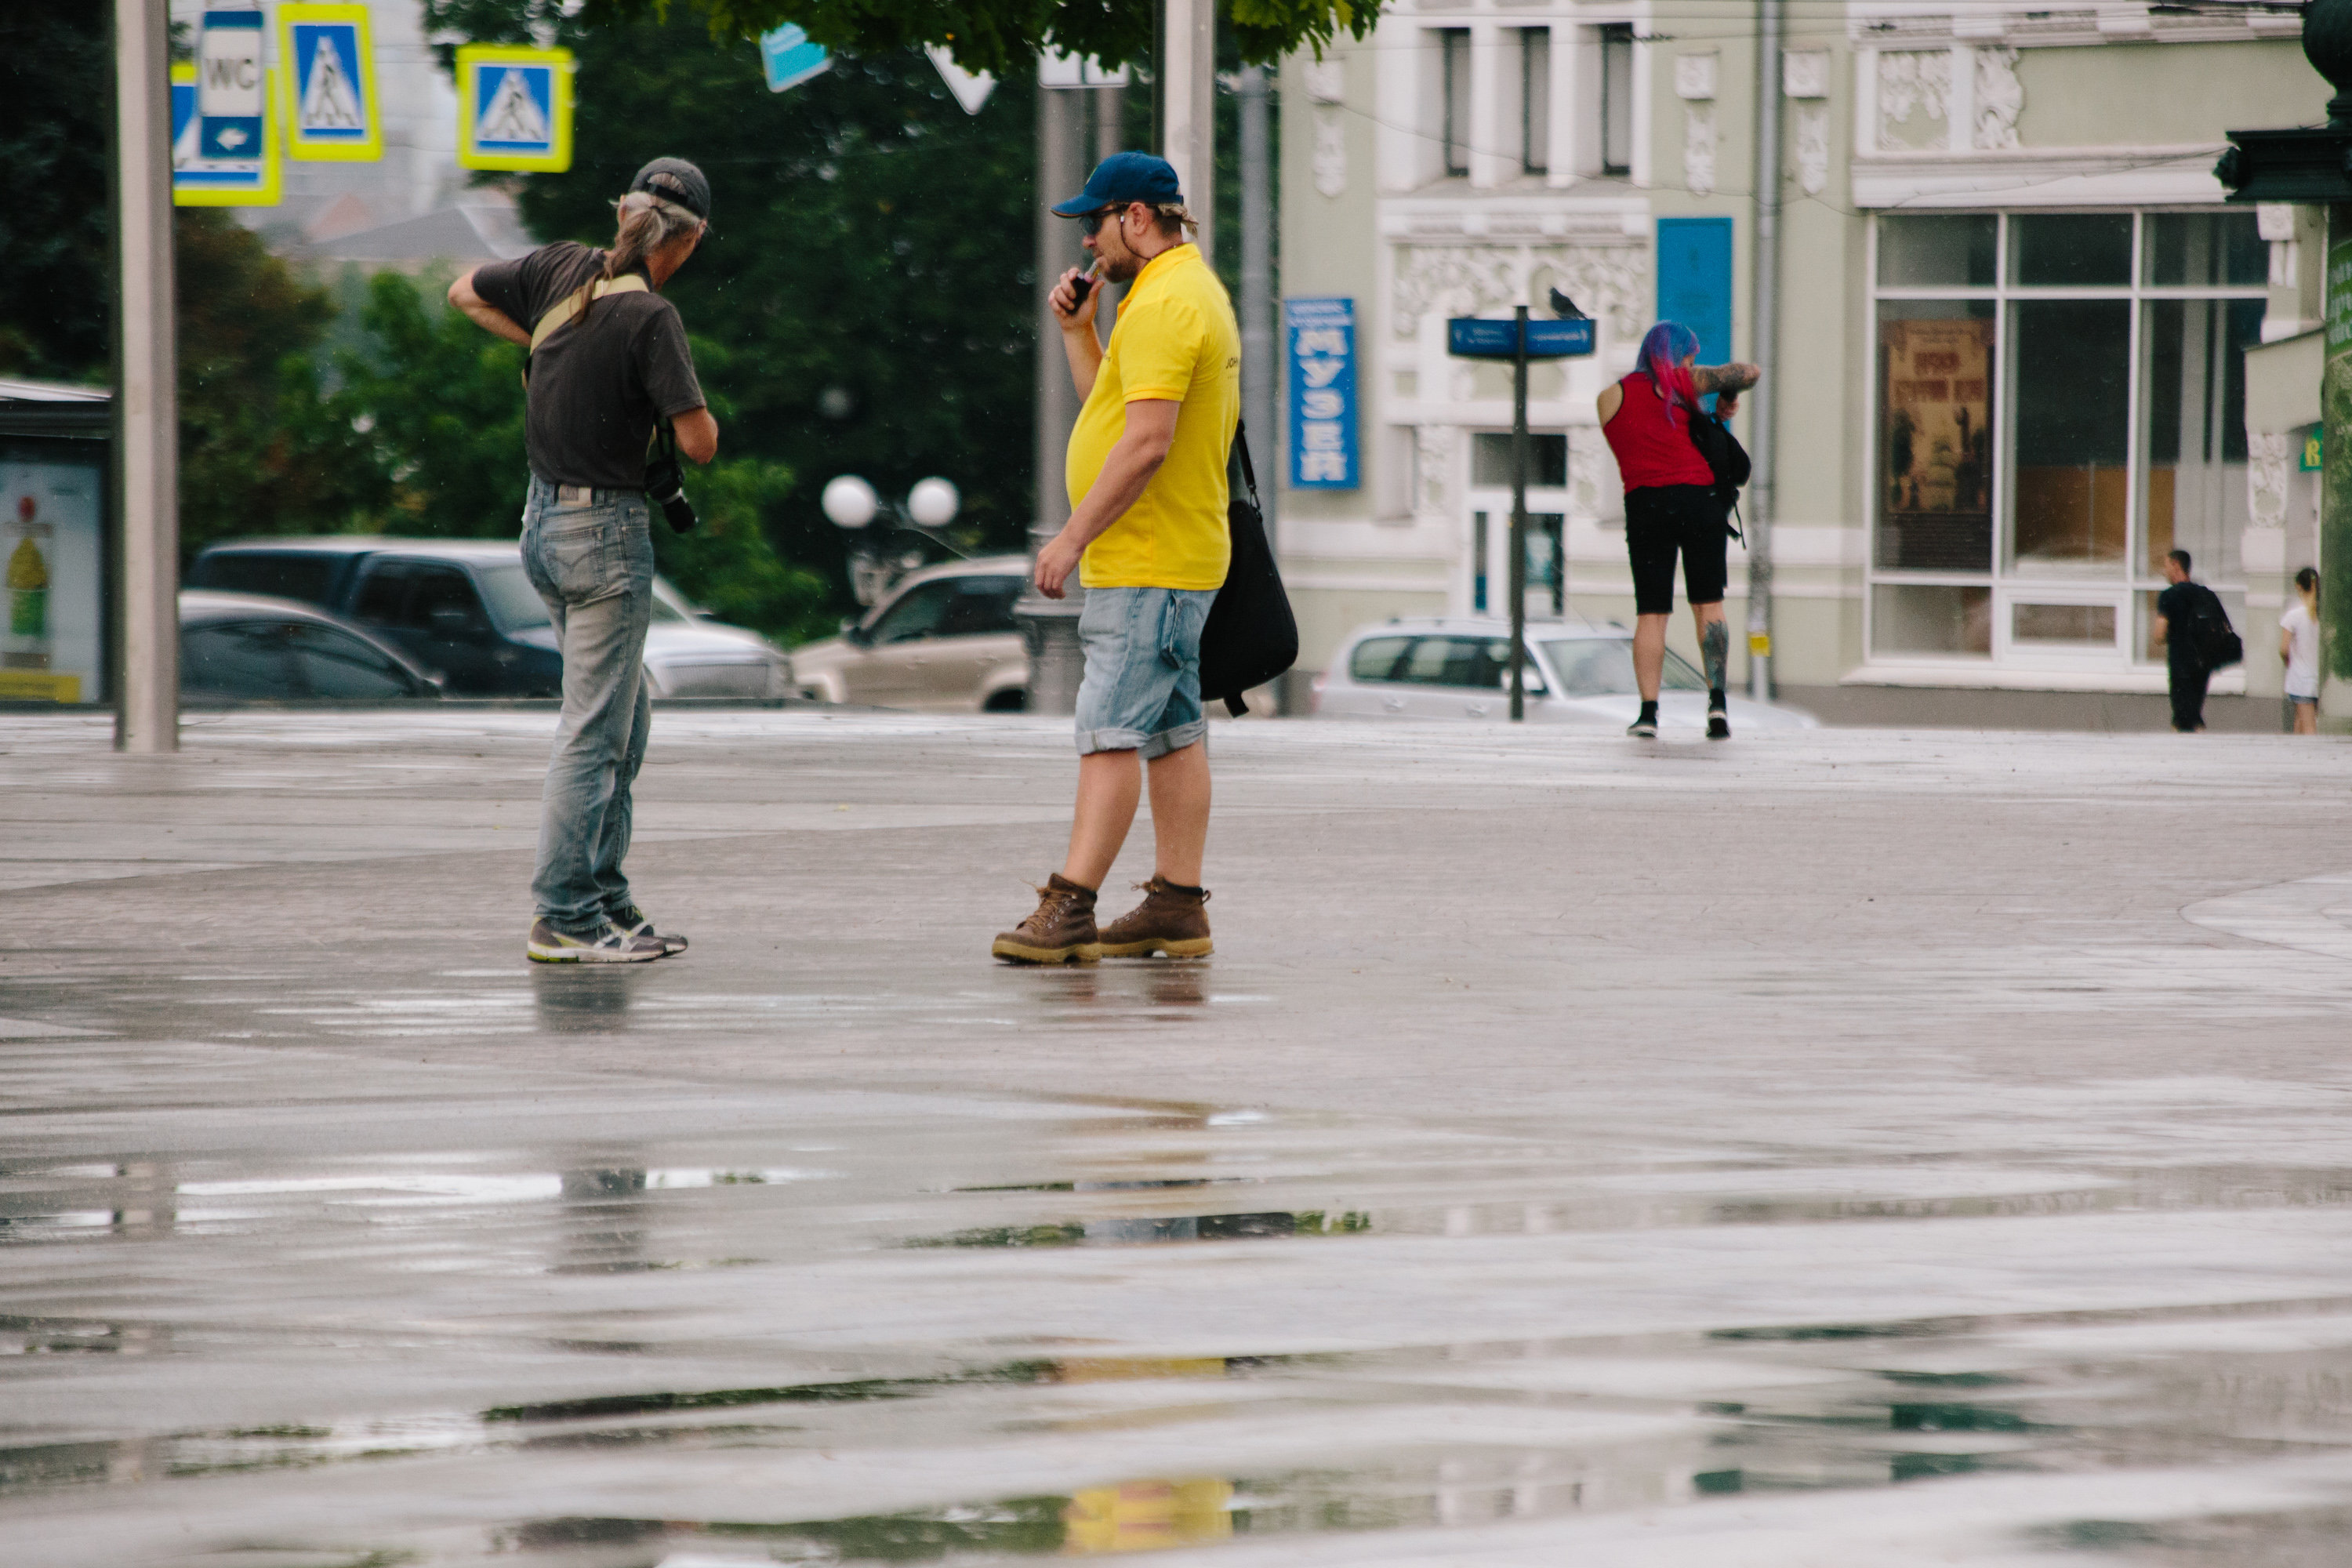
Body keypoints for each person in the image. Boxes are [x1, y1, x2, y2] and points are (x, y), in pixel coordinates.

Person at [448, 158, 718, 962]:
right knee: (594, 733)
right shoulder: (653, 319)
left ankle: (603, 894)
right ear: (692, 239)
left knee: (623, 719)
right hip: (604, 539)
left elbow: (464, 290)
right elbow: (700, 444)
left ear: (621, 212)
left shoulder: (558, 265)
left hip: (541, 526)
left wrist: (542, 337)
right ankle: (564, 912)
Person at [992, 152, 1240, 964]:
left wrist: (1070, 538)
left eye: (1094, 225)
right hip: (1164, 556)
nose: (1091, 246)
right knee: (1172, 731)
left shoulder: (1169, 303)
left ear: (1136, 216)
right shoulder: (1171, 295)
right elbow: (1116, 406)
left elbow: (1145, 445)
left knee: (1109, 732)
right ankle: (1175, 901)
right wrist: (1079, 332)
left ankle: (1070, 906)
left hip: (1148, 558)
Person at [1596, 322, 1760, 739]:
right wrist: (1725, 398)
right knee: (1708, 604)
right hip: (1697, 501)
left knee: (1651, 612)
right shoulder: (1683, 383)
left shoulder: (1609, 397)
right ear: (1676, 354)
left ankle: (1648, 714)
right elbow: (1749, 372)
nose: (1691, 363)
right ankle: (1718, 706)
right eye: (1690, 355)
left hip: (1645, 505)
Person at [2153, 548, 2220, 734]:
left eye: (2166, 566)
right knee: (2194, 713)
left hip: (2179, 663)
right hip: (2202, 664)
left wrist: (2170, 636)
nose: (2164, 571)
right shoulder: (2205, 594)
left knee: (2183, 719)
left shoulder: (2169, 596)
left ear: (2175, 565)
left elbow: (2159, 635)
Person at [2281, 565, 2321, 735]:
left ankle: (2311, 759)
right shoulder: (2322, 615)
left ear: (2298, 586)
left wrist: (2288, 662)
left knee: (2308, 726)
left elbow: (2283, 648)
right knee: (2300, 722)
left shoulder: (2294, 616)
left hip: (2301, 678)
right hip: (2318, 678)